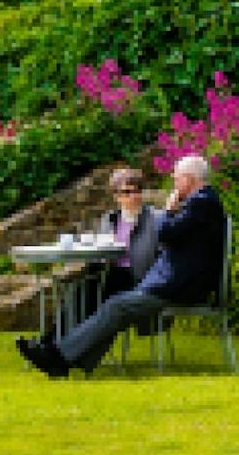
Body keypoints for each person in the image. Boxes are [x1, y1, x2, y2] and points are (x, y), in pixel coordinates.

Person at [17, 154, 227, 378]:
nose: (174, 183)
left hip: (179, 286)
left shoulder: (201, 203)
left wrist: (168, 209)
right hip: (173, 282)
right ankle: (62, 357)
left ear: (188, 179)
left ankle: (58, 357)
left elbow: (166, 233)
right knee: (99, 297)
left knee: (116, 305)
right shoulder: (201, 202)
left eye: (176, 178)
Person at [83, 167, 162, 313]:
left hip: (139, 278)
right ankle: (53, 336)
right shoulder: (109, 219)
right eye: (127, 192)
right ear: (116, 196)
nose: (133, 196)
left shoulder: (156, 218)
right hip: (111, 275)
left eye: (137, 191)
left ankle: (64, 335)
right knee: (80, 289)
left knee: (89, 296)